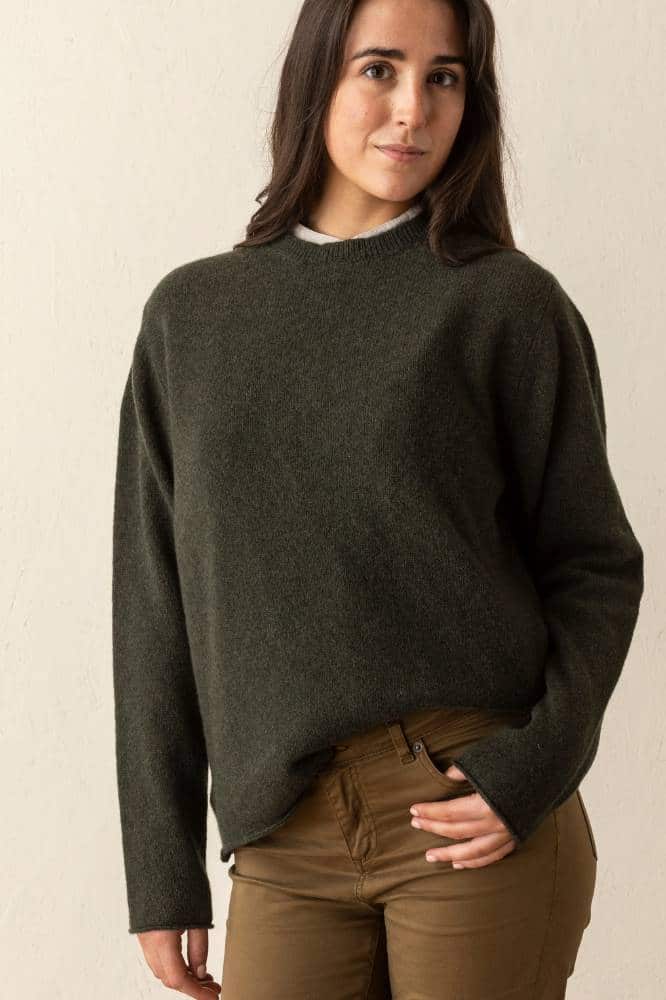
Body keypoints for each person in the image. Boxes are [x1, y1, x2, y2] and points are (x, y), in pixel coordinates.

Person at [111, 1, 644, 997]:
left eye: (445, 77)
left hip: (465, 802)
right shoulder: (192, 317)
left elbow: (596, 564)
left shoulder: (504, 303)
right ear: (317, 75)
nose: (412, 110)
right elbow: (156, 604)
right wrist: (161, 867)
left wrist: (533, 768)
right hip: (282, 831)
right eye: (379, 69)